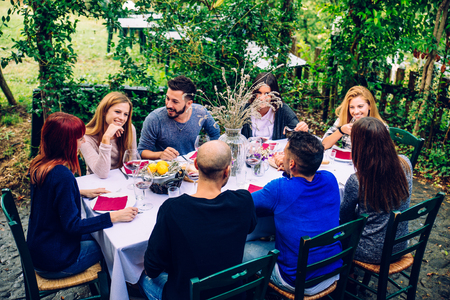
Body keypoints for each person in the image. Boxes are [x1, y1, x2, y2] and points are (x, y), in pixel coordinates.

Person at [138, 140, 257, 300]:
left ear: (195, 164)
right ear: (227, 171)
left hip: (187, 295)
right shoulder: (244, 200)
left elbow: (152, 268)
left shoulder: (172, 209)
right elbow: (250, 227)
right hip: (231, 295)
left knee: (138, 276)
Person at [27, 112, 138, 279]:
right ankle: (124, 288)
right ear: (65, 143)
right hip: (56, 260)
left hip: (42, 248)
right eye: (79, 139)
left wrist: (79, 191)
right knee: (111, 246)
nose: (84, 141)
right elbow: (73, 226)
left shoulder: (40, 164)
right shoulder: (62, 175)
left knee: (100, 235)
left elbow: (49, 196)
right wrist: (114, 216)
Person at [244, 131, 342, 296]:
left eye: (285, 154)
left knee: (244, 247)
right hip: (332, 270)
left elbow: (246, 203)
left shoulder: (279, 189)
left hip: (296, 281)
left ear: (292, 164)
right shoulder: (330, 179)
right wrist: (289, 172)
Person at [340, 117, 412, 263]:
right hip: (400, 244)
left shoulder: (358, 180)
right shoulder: (405, 163)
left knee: (335, 234)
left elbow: (346, 220)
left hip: (370, 251)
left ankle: (345, 274)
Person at [137, 76, 220, 161]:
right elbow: (141, 151)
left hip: (192, 167)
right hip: (166, 169)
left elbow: (215, 134)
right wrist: (160, 154)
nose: (168, 105)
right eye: (167, 98)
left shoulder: (200, 112)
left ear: (188, 103)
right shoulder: (154, 119)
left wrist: (207, 154)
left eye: (175, 101)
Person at [80, 92, 137, 178]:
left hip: (122, 180)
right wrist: (106, 138)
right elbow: (101, 174)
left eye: (126, 114)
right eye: (117, 112)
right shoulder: (85, 138)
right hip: (97, 184)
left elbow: (132, 162)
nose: (122, 118)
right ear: (104, 111)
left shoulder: (129, 129)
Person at [241, 73, 309, 140]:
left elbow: (301, 133)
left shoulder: (282, 109)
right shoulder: (245, 109)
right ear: (254, 92)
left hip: (275, 151)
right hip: (249, 150)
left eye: (267, 93)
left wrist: (302, 128)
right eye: (259, 93)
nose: (262, 98)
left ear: (274, 94)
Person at [322, 86, 385, 150]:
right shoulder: (344, 119)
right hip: (345, 159)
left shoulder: (381, 127)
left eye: (360, 106)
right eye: (352, 107)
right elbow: (323, 145)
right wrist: (341, 130)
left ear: (370, 106)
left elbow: (382, 156)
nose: (356, 111)